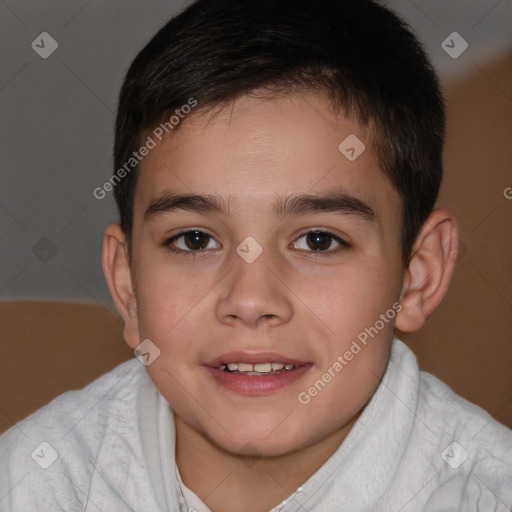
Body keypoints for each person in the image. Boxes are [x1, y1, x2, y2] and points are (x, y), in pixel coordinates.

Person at [1, 0, 511, 510]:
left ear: (417, 276)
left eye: (318, 241)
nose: (250, 300)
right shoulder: (32, 485)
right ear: (128, 285)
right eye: (195, 240)